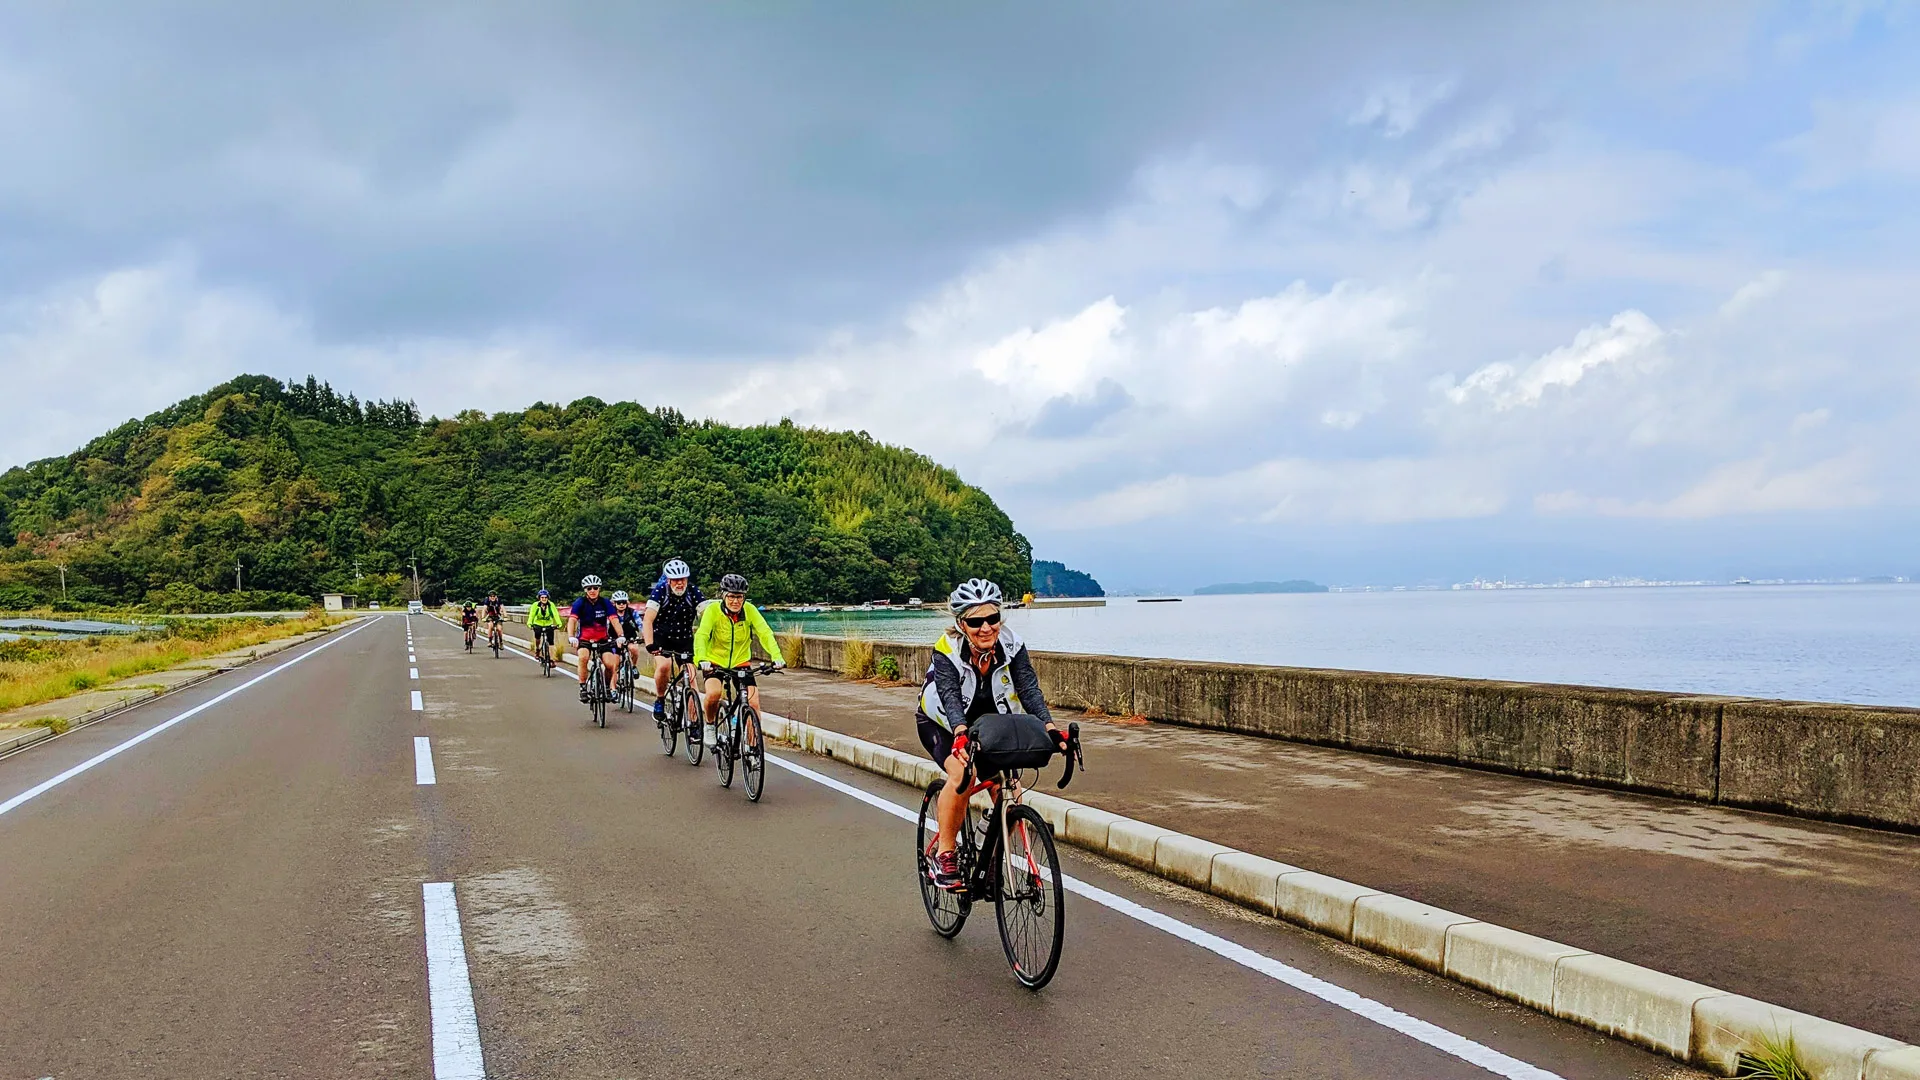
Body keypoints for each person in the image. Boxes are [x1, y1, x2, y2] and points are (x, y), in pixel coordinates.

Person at [916, 578, 1065, 891]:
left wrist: (1050, 728)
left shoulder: (1012, 646)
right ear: (961, 624)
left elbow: (1028, 688)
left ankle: (992, 855)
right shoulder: (948, 650)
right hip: (942, 722)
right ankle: (945, 855)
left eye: (993, 618)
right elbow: (949, 695)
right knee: (962, 775)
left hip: (990, 726)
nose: (986, 627)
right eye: (975, 621)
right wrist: (959, 733)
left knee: (1011, 793)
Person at [693, 573, 784, 751]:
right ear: (723, 595)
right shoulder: (713, 611)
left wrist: (777, 657)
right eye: (731, 596)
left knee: (753, 703)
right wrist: (702, 659)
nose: (735, 601)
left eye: (739, 597)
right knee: (713, 694)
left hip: (741, 662)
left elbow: (765, 633)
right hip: (714, 662)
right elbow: (702, 636)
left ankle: (752, 746)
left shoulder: (750, 610)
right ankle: (710, 725)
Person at [643, 559, 705, 718]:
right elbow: (648, 620)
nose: (679, 583)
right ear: (669, 580)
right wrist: (650, 644)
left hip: (684, 638)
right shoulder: (660, 591)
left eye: (682, 579)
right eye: (676, 580)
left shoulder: (693, 591)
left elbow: (706, 615)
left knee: (691, 678)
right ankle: (660, 699)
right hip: (662, 637)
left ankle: (694, 721)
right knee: (664, 665)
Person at [566, 575, 623, 702]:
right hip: (585, 640)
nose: (592, 590)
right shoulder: (580, 603)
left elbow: (614, 619)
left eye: (595, 588)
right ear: (585, 590)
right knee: (583, 658)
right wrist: (571, 636)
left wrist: (621, 636)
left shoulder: (605, 603)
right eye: (589, 588)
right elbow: (572, 620)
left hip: (602, 639)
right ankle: (583, 688)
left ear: (599, 589)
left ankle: (608, 688)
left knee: (610, 665)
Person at [610, 590, 644, 683]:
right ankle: (613, 689)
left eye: (624, 602)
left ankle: (633, 666)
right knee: (615, 665)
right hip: (614, 640)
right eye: (619, 602)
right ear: (614, 603)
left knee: (635, 649)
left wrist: (645, 635)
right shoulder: (611, 614)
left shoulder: (632, 612)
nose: (621, 604)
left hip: (630, 638)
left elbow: (641, 625)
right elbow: (606, 626)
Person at [527, 588, 562, 662]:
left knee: (551, 641)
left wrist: (559, 623)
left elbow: (555, 614)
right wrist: (530, 623)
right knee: (537, 636)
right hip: (538, 623)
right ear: (539, 598)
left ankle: (552, 659)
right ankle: (537, 649)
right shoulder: (535, 605)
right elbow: (532, 615)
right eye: (542, 597)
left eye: (546, 597)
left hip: (548, 624)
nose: (544, 599)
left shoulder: (551, 605)